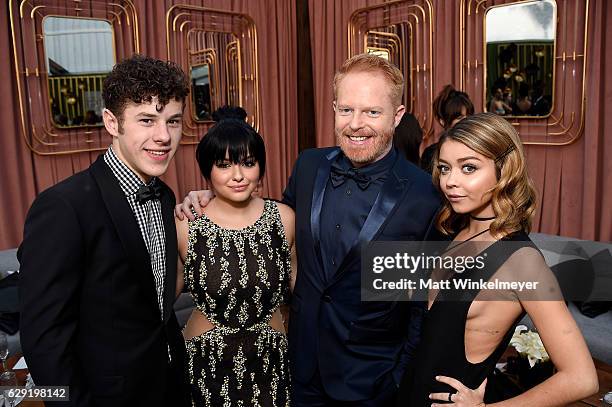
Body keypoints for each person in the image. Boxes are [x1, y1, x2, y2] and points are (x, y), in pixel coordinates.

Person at [176, 54, 440, 406]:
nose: (356, 124)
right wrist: (216, 195)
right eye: (346, 110)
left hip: (369, 381)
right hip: (296, 371)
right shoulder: (309, 166)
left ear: (398, 115)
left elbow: (420, 303)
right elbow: (269, 225)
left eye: (372, 112)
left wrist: (399, 380)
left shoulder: (424, 193)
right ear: (333, 108)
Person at [18, 55, 191, 407]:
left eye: (173, 121)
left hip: (167, 386)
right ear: (112, 122)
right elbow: (44, 340)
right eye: (147, 120)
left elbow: (154, 305)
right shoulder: (64, 207)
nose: (164, 136)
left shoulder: (164, 195)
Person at [396, 112, 598, 406]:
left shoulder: (521, 261)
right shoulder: (449, 232)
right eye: (444, 168)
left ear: (505, 170)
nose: (450, 181)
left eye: (468, 168)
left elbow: (582, 377)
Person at [176, 106, 296, 406]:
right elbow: (156, 300)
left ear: (261, 168)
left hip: (271, 368)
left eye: (248, 163)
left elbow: (301, 291)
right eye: (224, 164)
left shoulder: (284, 218)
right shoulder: (185, 224)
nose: (238, 175)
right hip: (205, 367)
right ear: (207, 171)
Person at [420, 84, 474, 173]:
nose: (466, 121)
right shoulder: (431, 154)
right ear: (443, 121)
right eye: (459, 117)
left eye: (469, 116)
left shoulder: (478, 148)